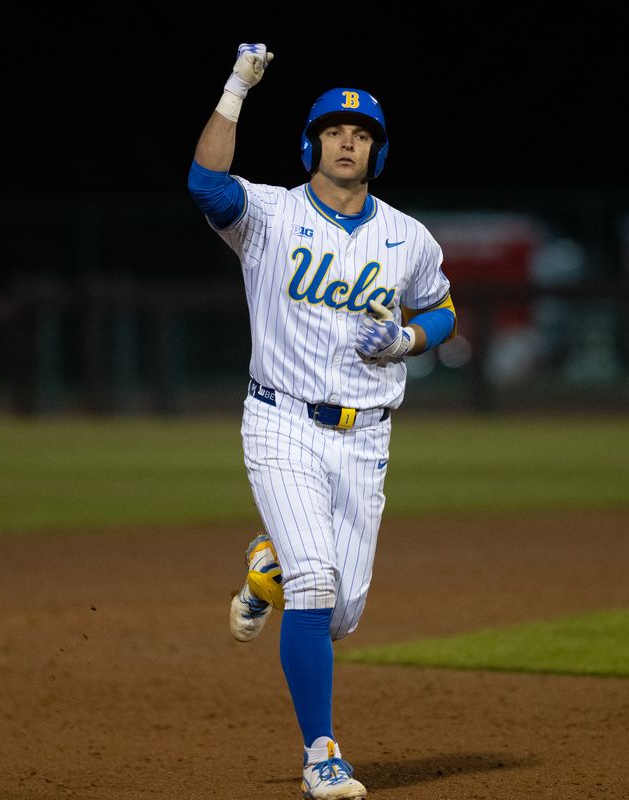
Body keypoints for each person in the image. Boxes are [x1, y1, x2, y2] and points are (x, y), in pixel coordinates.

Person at [186, 44, 458, 800]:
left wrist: (407, 340)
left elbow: (442, 308)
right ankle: (322, 756)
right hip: (280, 422)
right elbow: (205, 182)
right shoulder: (268, 216)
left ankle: (264, 565)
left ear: (378, 149)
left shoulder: (407, 237)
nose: (348, 141)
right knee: (313, 585)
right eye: (335, 130)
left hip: (367, 434)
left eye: (361, 133)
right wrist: (238, 85)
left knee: (340, 613)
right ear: (311, 143)